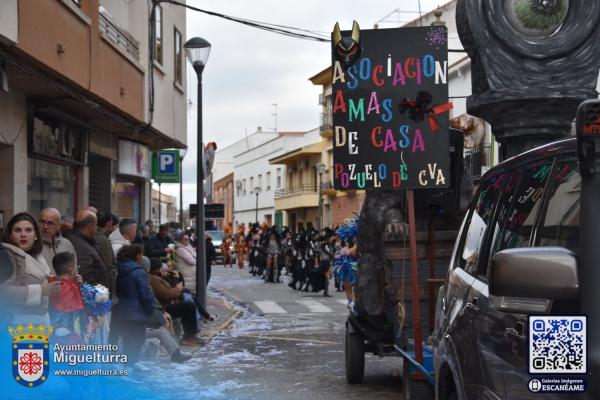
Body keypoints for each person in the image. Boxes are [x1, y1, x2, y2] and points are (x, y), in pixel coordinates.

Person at [1, 212, 61, 325]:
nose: (23, 234)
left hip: (39, 324)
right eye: (18, 230)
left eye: (28, 230)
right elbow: (3, 293)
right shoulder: (7, 256)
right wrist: (42, 290)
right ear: (10, 235)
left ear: (36, 235)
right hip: (16, 326)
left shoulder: (36, 255)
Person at [114, 244, 155, 364]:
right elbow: (145, 294)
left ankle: (125, 367)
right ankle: (129, 368)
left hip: (122, 312)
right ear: (137, 256)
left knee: (127, 342)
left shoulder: (119, 269)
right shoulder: (138, 272)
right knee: (137, 342)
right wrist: (149, 309)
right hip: (138, 313)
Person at [148, 259, 200, 346]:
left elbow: (171, 287)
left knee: (189, 305)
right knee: (188, 307)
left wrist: (175, 278)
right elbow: (165, 295)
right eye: (161, 268)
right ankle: (189, 336)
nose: (164, 270)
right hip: (164, 307)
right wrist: (178, 289)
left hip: (169, 304)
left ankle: (190, 335)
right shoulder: (154, 280)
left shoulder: (161, 277)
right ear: (156, 269)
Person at [67, 211, 110, 289]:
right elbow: (85, 276)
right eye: (96, 225)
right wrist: (98, 294)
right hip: (93, 296)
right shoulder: (80, 246)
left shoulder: (85, 240)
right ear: (90, 226)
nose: (96, 228)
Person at [49, 252, 84, 335]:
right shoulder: (69, 288)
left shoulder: (54, 283)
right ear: (71, 270)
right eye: (76, 267)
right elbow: (77, 307)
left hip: (55, 327)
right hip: (67, 327)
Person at [38, 208, 77, 272]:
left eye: (50, 223)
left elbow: (74, 270)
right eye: (42, 222)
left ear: (59, 226)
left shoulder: (67, 244)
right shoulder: (33, 244)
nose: (45, 226)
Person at [96, 212, 119, 297]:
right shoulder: (103, 240)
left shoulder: (96, 236)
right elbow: (108, 264)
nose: (114, 229)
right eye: (114, 225)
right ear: (109, 223)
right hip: (102, 283)